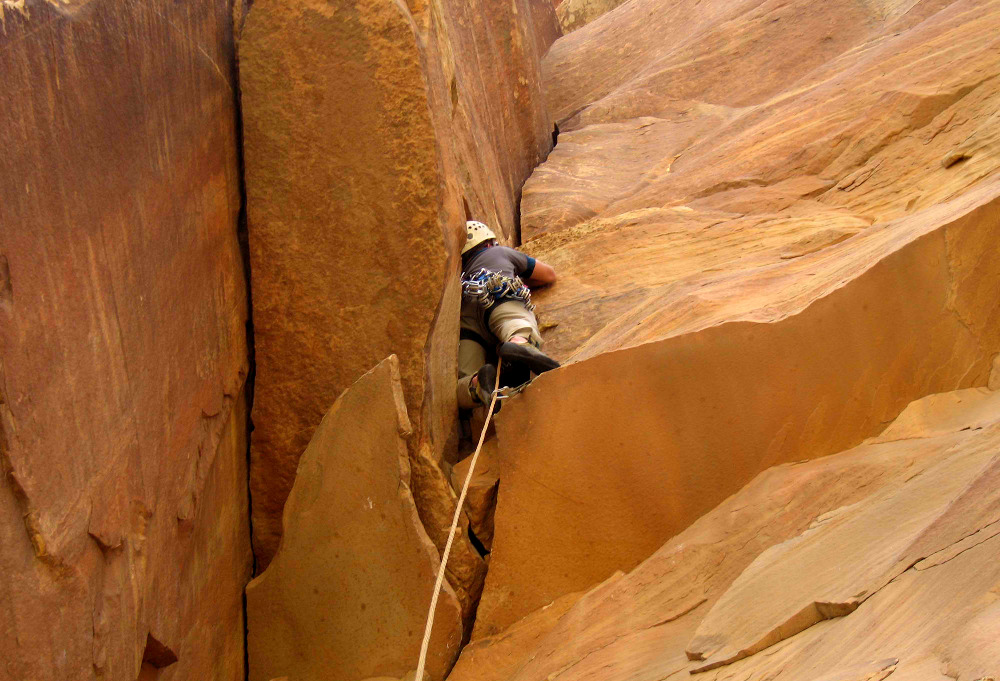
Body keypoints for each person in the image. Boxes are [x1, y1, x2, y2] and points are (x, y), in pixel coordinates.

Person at [456, 220, 560, 410]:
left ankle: (476, 384)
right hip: (497, 295)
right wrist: (517, 279)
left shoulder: (461, 275)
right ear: (489, 242)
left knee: (463, 376)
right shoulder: (499, 252)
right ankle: (518, 344)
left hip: (467, 318)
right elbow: (548, 275)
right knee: (515, 323)